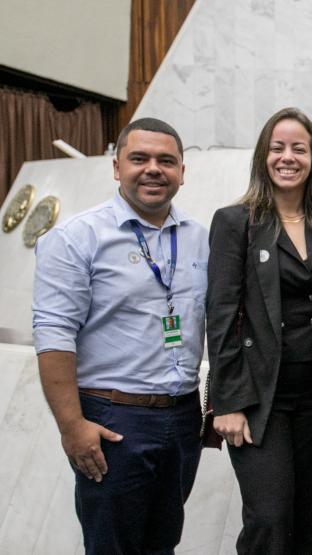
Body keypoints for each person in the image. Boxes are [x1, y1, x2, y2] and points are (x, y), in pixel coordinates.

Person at [32, 118, 208, 553]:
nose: (153, 169)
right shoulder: (77, 238)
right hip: (113, 420)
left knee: (162, 542)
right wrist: (72, 426)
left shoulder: (201, 239)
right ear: (116, 168)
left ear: (182, 172)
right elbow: (54, 337)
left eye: (166, 161)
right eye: (139, 159)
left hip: (182, 417)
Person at [206, 107, 312, 554]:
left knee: (307, 521)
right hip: (260, 400)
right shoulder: (235, 222)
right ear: (263, 156)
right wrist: (227, 401)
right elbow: (220, 313)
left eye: (298, 149)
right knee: (269, 517)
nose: (288, 157)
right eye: (277, 148)